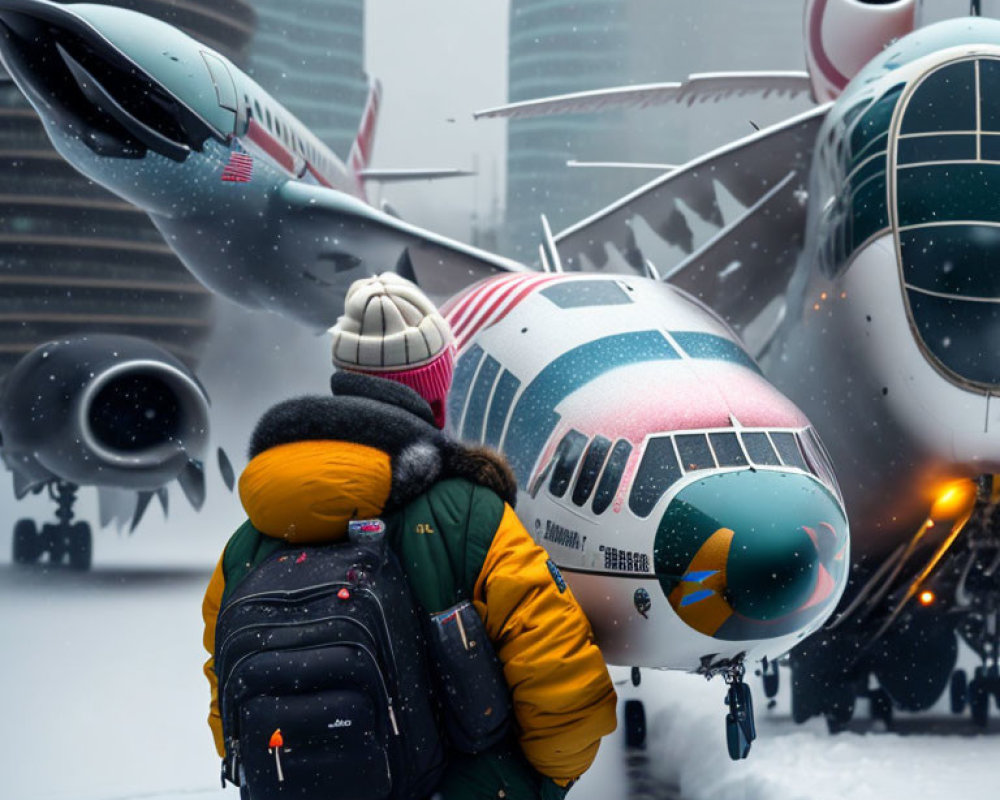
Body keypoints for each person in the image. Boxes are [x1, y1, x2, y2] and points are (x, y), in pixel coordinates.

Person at [201, 275, 618, 800]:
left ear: (343, 383)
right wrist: (538, 783)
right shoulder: (471, 515)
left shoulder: (250, 539)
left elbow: (228, 702)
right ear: (437, 397)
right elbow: (562, 685)